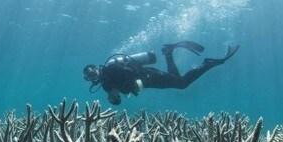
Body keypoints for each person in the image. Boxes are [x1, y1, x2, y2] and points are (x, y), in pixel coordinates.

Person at [83, 41, 239, 105]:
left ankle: (208, 64)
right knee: (178, 81)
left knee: (182, 84)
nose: (93, 77)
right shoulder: (105, 85)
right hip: (149, 82)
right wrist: (114, 97)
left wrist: (125, 85)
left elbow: (129, 71)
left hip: (149, 76)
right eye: (89, 77)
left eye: (92, 73)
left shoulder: (111, 69)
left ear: (97, 68)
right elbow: (118, 101)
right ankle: (168, 52)